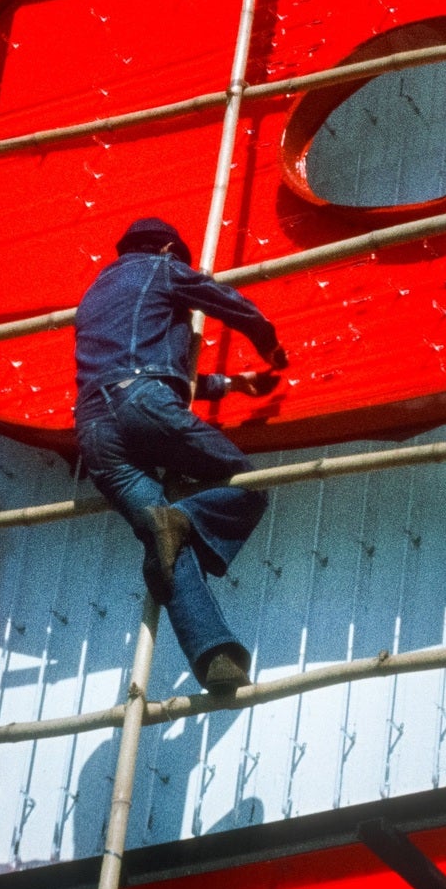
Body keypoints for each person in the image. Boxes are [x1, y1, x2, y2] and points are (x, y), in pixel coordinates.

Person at [73, 216, 289, 692]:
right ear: (168, 249)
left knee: (163, 542)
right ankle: (186, 518)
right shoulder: (160, 267)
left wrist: (231, 384)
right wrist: (267, 341)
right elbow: (222, 299)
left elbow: (139, 363)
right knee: (247, 484)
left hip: (94, 430)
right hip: (141, 401)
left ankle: (215, 657)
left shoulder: (94, 295)